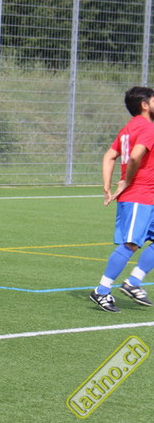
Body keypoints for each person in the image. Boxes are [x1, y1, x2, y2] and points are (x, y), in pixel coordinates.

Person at [91, 86, 154, 312]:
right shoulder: (148, 128)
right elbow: (135, 156)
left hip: (148, 196)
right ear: (144, 105)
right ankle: (101, 291)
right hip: (139, 195)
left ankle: (133, 282)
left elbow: (109, 156)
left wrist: (106, 185)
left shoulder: (129, 128)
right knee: (131, 244)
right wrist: (126, 181)